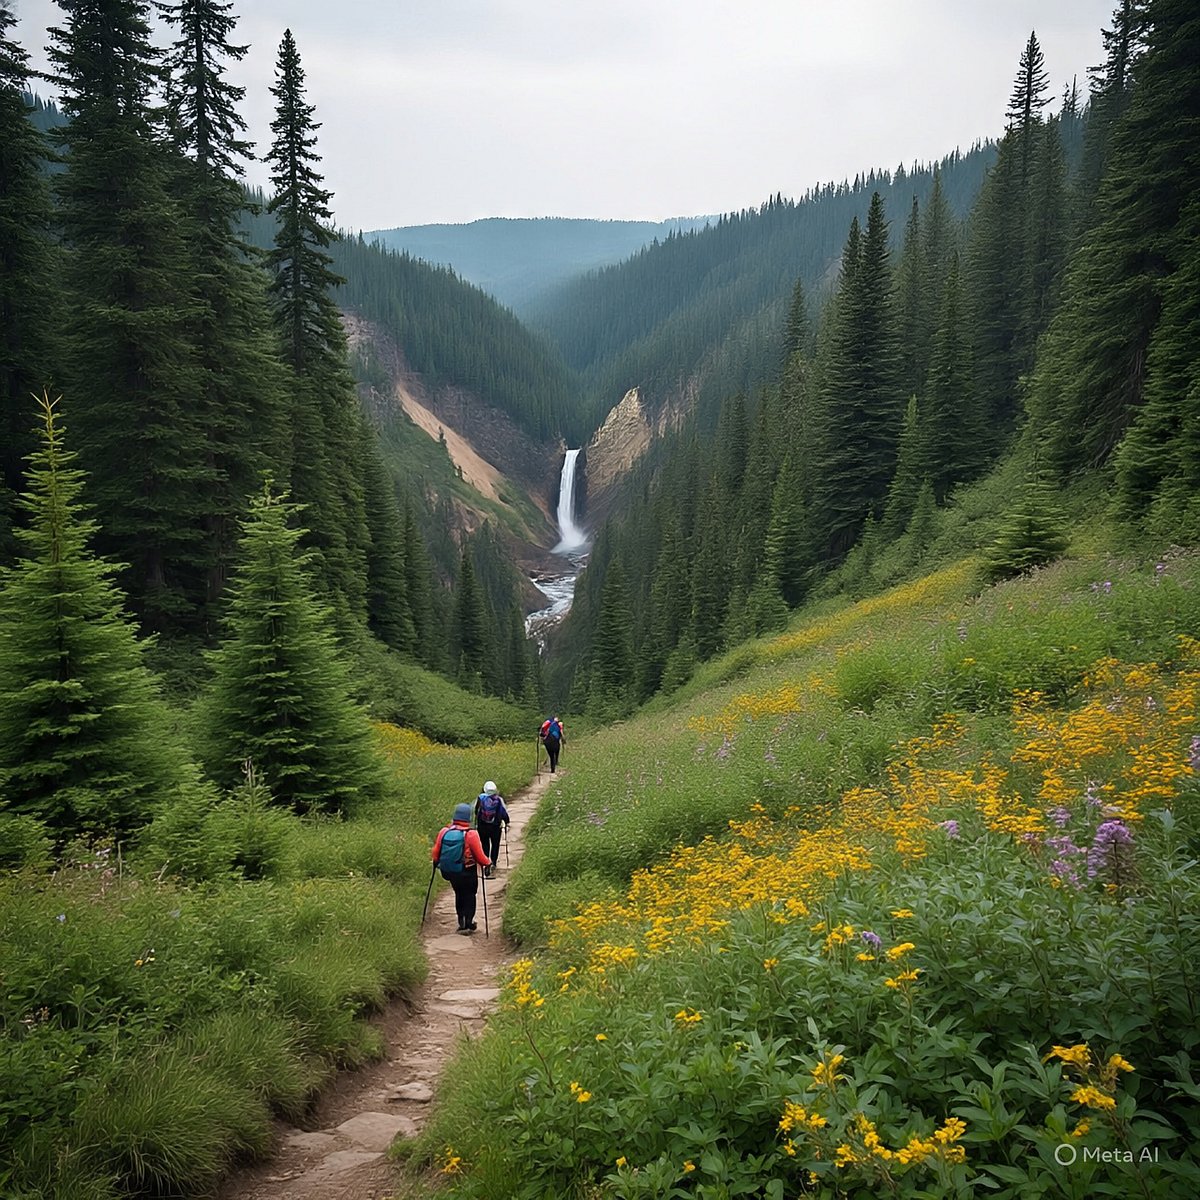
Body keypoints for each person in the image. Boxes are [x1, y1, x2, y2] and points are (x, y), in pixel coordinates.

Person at [432, 802, 491, 934]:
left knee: (459, 894)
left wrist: (436, 862)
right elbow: (480, 856)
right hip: (467, 870)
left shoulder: (444, 832)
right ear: (468, 817)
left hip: (451, 871)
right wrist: (487, 863)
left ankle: (461, 922)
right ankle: (469, 922)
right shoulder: (471, 834)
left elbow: (436, 851)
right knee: (470, 895)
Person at [474, 781, 510, 878]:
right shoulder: (498, 799)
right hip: (495, 827)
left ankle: (486, 863)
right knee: (495, 844)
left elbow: (476, 812)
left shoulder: (480, 798)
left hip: (482, 827)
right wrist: (507, 821)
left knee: (485, 845)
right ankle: (493, 862)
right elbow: (503, 813)